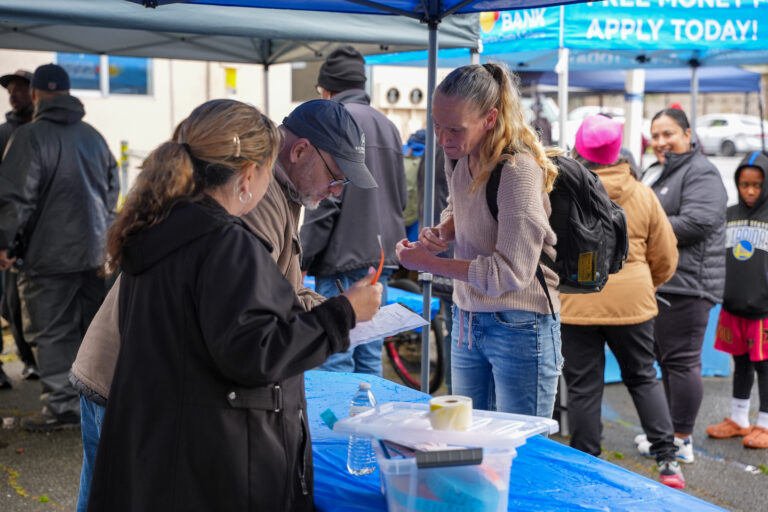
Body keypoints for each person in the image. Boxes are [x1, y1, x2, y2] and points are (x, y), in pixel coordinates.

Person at [70, 98, 378, 512]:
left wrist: (333, 308)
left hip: (142, 394)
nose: (336, 191)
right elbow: (253, 347)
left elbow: (258, 303)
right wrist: (342, 315)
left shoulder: (173, 221)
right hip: (141, 394)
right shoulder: (230, 233)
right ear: (251, 173)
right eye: (335, 177)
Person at [396, 63, 562, 417]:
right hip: (468, 316)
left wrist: (429, 264)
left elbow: (510, 274)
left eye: (454, 128)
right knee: (467, 438)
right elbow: (458, 204)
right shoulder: (458, 154)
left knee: (520, 450)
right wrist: (444, 232)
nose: (443, 138)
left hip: (520, 321)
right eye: (436, 126)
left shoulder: (518, 170)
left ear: (490, 118)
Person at [560, 115, 684, 488]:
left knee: (582, 385)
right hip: (633, 303)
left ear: (579, 149)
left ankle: (586, 462)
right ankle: (667, 459)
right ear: (619, 151)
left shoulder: (564, 195)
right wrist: (646, 284)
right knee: (643, 376)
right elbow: (666, 256)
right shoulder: (643, 194)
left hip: (576, 303)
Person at [0, 64, 118, 430]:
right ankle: (94, 404)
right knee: (90, 329)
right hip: (95, 255)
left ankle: (62, 408)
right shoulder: (94, 136)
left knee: (51, 331)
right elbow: (112, 192)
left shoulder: (29, 137)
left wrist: (4, 243)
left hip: (47, 256)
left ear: (35, 95)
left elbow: (16, 199)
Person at [302, 45, 407, 376]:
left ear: (328, 89)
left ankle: (339, 430)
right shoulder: (387, 125)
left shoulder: (334, 120)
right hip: (380, 259)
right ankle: (368, 429)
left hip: (341, 260)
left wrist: (301, 257)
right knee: (368, 356)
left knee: (336, 355)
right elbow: (402, 195)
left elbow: (325, 200)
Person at [635, 108, 727, 463]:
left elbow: (698, 222)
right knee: (668, 361)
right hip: (664, 282)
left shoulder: (701, 172)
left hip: (690, 285)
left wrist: (645, 227)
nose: (660, 142)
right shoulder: (660, 171)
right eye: (655, 136)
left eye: (668, 134)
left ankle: (682, 440)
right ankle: (672, 432)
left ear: (688, 135)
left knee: (683, 361)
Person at [706, 151, 768, 450]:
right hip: (733, 307)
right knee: (740, 363)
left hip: (764, 312)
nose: (751, 191)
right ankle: (739, 418)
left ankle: (765, 424)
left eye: (757, 184)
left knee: (765, 367)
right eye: (745, 184)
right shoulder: (729, 214)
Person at [0, 69, 38, 389]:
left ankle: (34, 362)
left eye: (20, 89)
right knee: (10, 306)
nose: (14, 95)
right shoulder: (3, 134)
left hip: (43, 241)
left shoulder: (48, 133)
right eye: (10, 90)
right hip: (8, 242)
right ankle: (24, 361)